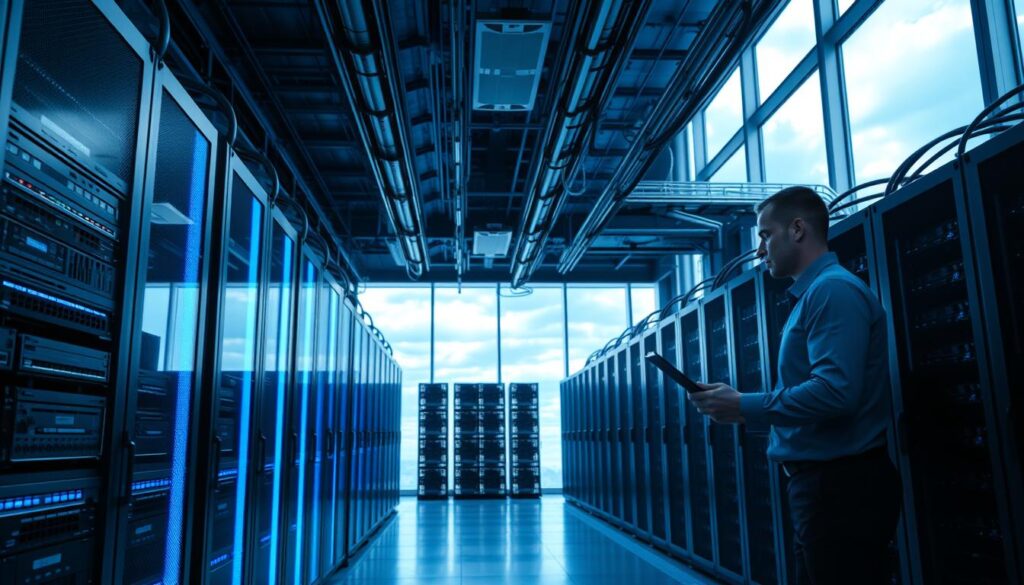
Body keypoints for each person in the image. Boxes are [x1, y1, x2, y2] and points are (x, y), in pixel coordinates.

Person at [686, 186, 901, 585]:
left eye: (766, 235)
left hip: (841, 487)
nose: (760, 249)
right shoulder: (813, 295)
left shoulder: (832, 291)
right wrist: (737, 406)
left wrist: (745, 405)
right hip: (825, 486)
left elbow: (836, 392)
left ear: (797, 229)